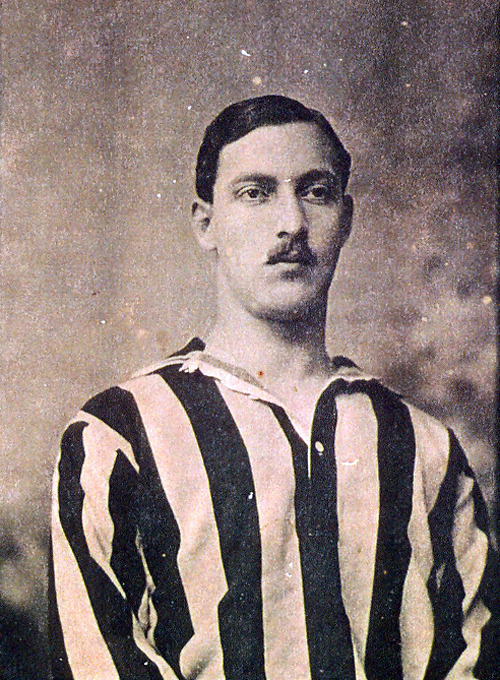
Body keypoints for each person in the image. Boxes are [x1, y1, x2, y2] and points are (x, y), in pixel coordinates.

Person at [49, 95, 496, 679]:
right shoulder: (117, 438)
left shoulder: (425, 447)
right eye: (255, 193)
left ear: (346, 219)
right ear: (206, 223)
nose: (292, 223)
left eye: (316, 191)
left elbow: (475, 659)